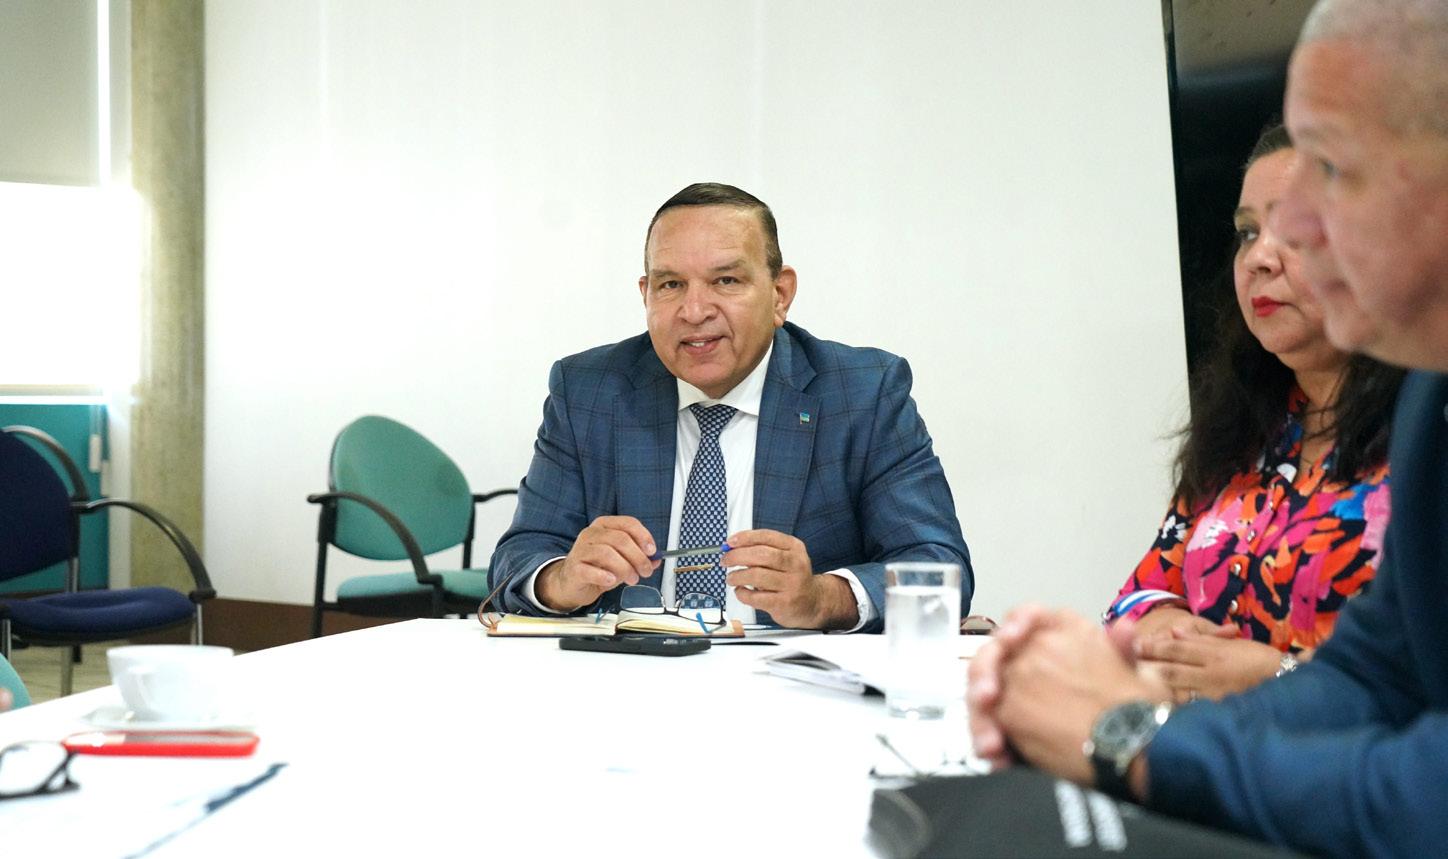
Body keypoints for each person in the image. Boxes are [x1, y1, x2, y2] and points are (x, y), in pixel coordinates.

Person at [969, 0, 1448, 855]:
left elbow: (1424, 797)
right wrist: (1112, 707)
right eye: (1249, 230)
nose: (1285, 239)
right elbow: (1374, 672)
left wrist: (1129, 739)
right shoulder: (1425, 396)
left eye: (1332, 169)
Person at [489, 183, 971, 632]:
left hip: (790, 681)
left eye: (725, 280)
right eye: (670, 285)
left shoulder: (862, 393)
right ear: (645, 295)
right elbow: (520, 556)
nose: (694, 311)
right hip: (632, 673)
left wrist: (821, 598)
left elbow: (939, 570)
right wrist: (562, 580)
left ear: (780, 294)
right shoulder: (589, 391)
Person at [1108, 123, 1403, 703]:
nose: (1259, 259)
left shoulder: (1426, 426)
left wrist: (1277, 677)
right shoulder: (1245, 427)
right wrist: (1168, 632)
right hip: (1213, 747)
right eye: (1248, 232)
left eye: (1295, 230)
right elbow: (1136, 597)